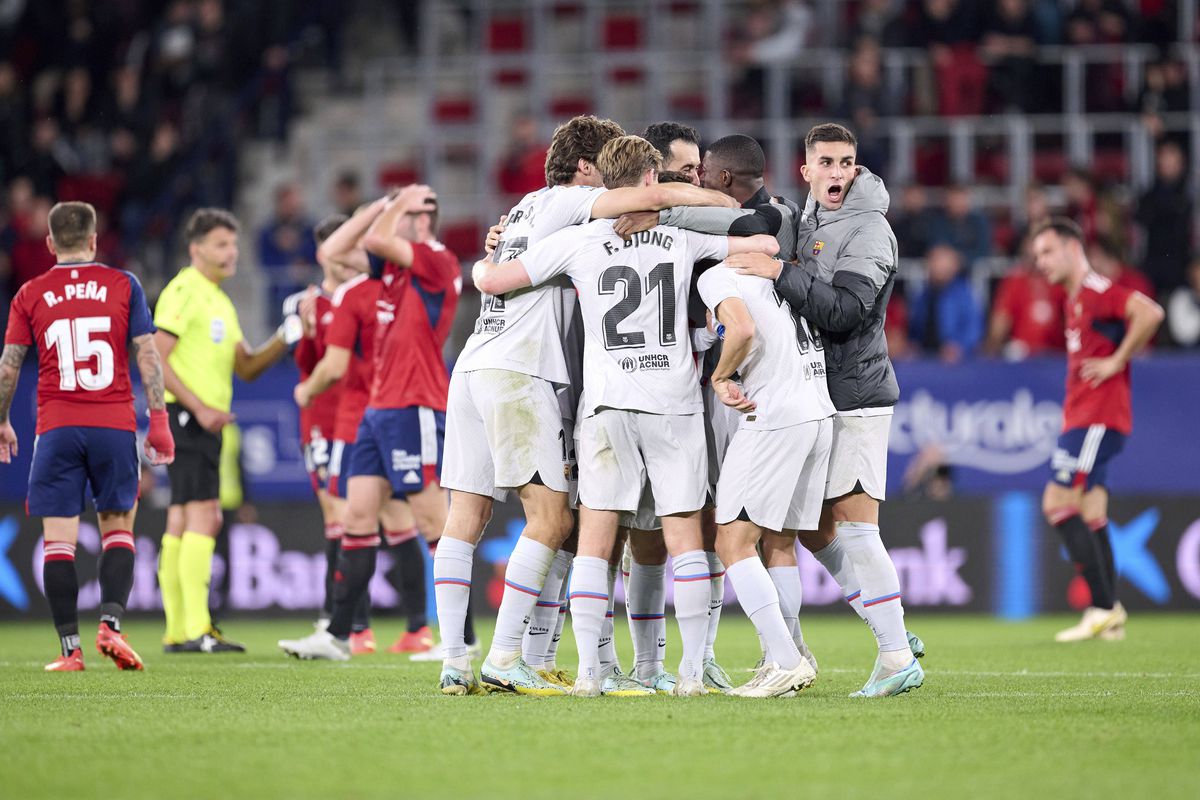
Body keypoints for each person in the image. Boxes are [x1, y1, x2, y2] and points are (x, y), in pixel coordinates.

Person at [436, 115, 738, 697]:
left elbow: (496, 276)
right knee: (554, 521)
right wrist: (699, 196)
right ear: (584, 168)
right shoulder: (577, 202)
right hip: (523, 371)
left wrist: (480, 265)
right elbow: (661, 194)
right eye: (608, 169)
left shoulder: (525, 207)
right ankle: (506, 658)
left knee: (466, 519)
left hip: (473, 362)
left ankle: (456, 661)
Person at [729, 122, 925, 698]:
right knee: (813, 528)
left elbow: (847, 312)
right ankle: (889, 627)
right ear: (805, 169)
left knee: (859, 529)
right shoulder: (807, 220)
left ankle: (894, 656)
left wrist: (780, 273)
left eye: (847, 163)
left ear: (857, 168)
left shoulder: (869, 230)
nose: (838, 173)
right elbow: (748, 208)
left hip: (857, 395)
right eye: (828, 163)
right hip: (821, 396)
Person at [279, 184, 459, 661]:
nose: (383, 226)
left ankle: (457, 639)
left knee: (432, 521)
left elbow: (374, 243)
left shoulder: (437, 260)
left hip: (415, 404)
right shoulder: (392, 273)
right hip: (377, 412)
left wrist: (397, 204)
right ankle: (338, 635)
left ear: (421, 221)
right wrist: (381, 205)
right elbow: (332, 249)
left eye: (401, 214)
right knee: (357, 516)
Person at [0, 201, 175, 671]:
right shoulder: (124, 284)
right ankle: (111, 626)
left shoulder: (30, 293)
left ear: (51, 243)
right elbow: (147, 355)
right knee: (119, 531)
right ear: (95, 240)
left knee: (59, 541)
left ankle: (69, 651)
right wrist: (158, 420)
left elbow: (10, 364)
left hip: (57, 427)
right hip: (114, 426)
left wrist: (2, 420)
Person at [154, 208, 292, 654]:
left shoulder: (219, 300)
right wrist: (198, 408)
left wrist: (287, 335)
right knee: (204, 517)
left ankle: (179, 630)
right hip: (188, 417)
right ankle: (195, 628)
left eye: (233, 244)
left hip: (200, 421)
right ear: (196, 249)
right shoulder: (184, 290)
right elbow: (155, 358)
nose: (230, 253)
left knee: (182, 518)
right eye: (220, 245)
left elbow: (247, 367)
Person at [698, 251, 835, 697]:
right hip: (818, 410)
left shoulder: (721, 274)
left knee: (731, 539)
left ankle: (785, 659)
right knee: (779, 541)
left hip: (774, 414)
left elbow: (741, 328)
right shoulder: (784, 275)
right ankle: (792, 653)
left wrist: (720, 376)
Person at [1031, 217, 1163, 642]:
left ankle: (1102, 606)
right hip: (1089, 418)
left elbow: (1149, 312)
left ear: (1073, 248)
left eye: (1048, 252)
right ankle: (1112, 613)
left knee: (1056, 502)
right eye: (1037, 256)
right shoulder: (1074, 299)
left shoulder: (1096, 291)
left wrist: (1117, 360)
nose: (1042, 263)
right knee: (1092, 512)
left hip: (1095, 418)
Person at [907, 244, 984, 363]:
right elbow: (915, 328)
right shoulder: (923, 295)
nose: (935, 265)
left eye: (940, 260)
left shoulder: (964, 294)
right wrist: (913, 344)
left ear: (954, 266)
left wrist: (959, 347)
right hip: (925, 358)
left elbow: (974, 328)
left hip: (956, 361)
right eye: (933, 260)